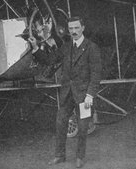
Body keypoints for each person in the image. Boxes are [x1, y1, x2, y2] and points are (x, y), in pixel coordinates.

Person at [29, 16, 102, 168]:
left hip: (84, 96)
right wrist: (35, 48)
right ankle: (59, 156)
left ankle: (80, 157)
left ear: (83, 28)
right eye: (71, 29)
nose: (74, 31)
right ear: (68, 30)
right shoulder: (66, 47)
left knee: (82, 128)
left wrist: (90, 95)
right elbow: (50, 60)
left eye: (76, 28)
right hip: (67, 94)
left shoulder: (92, 47)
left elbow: (96, 74)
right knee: (60, 123)